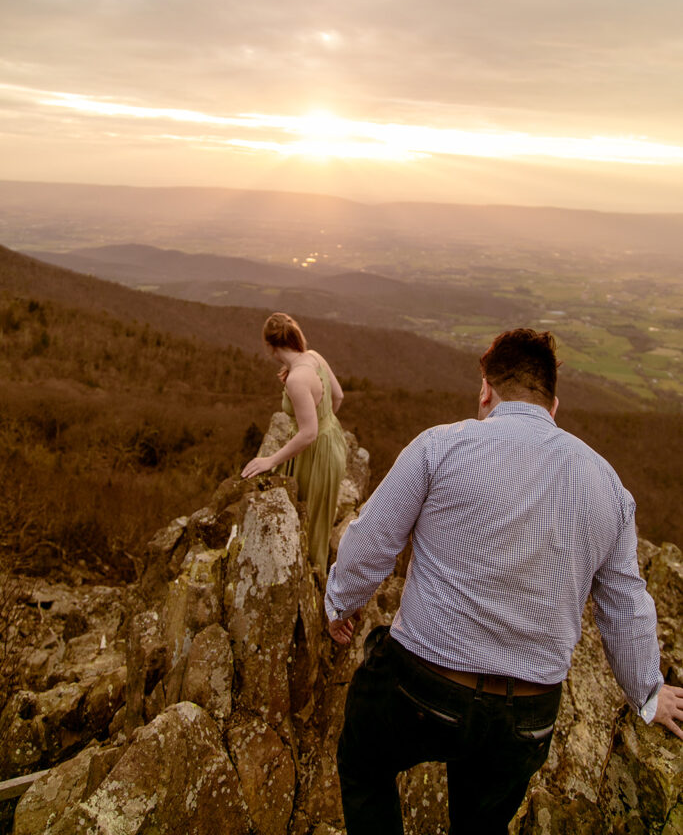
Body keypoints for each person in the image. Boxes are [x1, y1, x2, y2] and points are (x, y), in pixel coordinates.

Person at [324, 328, 683, 835]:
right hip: (527, 716)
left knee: (363, 767)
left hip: (421, 686)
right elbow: (625, 606)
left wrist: (341, 602)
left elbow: (370, 544)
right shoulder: (609, 486)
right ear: (553, 405)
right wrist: (649, 692)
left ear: (486, 391)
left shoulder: (440, 447)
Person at [242, 311, 347, 576]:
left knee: (308, 522)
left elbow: (308, 433)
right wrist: (326, 421)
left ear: (269, 345)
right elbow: (338, 396)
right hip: (333, 440)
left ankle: (311, 581)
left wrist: (271, 460)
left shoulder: (297, 379)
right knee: (320, 517)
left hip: (315, 455)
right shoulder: (314, 358)